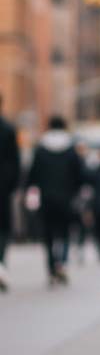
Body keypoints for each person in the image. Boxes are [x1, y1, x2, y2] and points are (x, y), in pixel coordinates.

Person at [26, 115, 85, 286]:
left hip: (46, 199)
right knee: (65, 232)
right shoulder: (71, 150)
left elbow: (32, 175)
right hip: (67, 199)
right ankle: (63, 263)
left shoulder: (40, 149)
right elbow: (80, 175)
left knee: (48, 234)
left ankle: (51, 267)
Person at [0, 95, 21, 292]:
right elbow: (15, 162)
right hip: (3, 188)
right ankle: (0, 264)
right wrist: (12, 185)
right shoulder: (7, 129)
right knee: (2, 230)